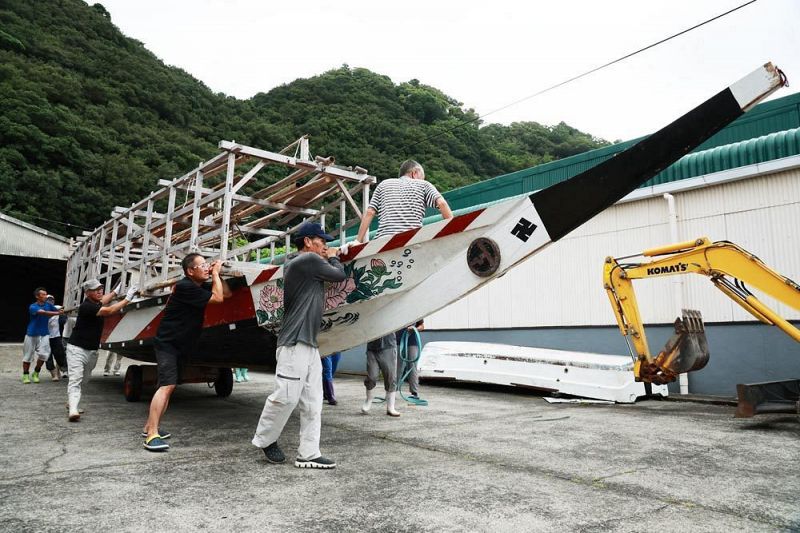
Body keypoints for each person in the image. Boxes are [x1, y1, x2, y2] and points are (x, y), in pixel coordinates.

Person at [353, 160, 453, 415]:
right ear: (415, 172)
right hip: (409, 247)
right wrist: (450, 227)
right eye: (422, 174)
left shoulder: (384, 185)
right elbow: (442, 205)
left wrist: (359, 241)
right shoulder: (423, 185)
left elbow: (369, 214)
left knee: (382, 287)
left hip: (383, 248)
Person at [251, 222, 345, 469]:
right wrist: (335, 258)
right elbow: (339, 276)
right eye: (322, 240)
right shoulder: (306, 262)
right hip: (294, 342)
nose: (326, 245)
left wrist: (329, 257)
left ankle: (309, 453)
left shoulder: (301, 263)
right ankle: (265, 439)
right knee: (286, 396)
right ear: (307, 242)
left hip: (309, 344)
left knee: (313, 402)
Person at [142, 253, 231, 451]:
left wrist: (219, 275)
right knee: (167, 386)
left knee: (167, 387)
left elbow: (227, 294)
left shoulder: (198, 287)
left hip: (180, 345)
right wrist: (215, 273)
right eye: (203, 265)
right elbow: (218, 299)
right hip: (168, 344)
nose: (207, 267)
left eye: (208, 264)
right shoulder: (185, 287)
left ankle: (150, 426)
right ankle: (151, 435)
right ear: (190, 271)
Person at [66, 279, 137, 421]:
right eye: (95, 289)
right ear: (87, 293)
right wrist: (128, 298)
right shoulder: (86, 306)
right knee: (76, 379)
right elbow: (109, 310)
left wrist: (115, 291)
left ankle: (71, 402)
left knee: (85, 379)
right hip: (76, 349)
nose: (99, 291)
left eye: (100, 288)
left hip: (92, 351)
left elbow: (104, 300)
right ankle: (73, 410)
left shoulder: (95, 302)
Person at [22, 288, 61, 384]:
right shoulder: (33, 306)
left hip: (44, 334)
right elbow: (43, 313)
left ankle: (36, 373)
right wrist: (57, 313)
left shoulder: (48, 305)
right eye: (43, 295)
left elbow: (59, 310)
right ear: (37, 296)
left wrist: (64, 310)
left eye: (45, 294)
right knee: (28, 356)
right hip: (31, 334)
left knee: (44, 355)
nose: (45, 296)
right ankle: (25, 375)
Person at [396, 319, 424, 399]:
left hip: (412, 341)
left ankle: (414, 392)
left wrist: (415, 328)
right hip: (397, 341)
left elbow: (422, 326)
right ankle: (392, 391)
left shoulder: (415, 311)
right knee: (396, 367)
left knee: (412, 366)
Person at [44, 295, 68, 381]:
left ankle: (59, 370)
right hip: (45, 337)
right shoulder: (42, 310)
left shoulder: (57, 307)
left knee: (59, 355)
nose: (50, 301)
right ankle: (54, 374)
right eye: (48, 300)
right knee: (48, 356)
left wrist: (63, 313)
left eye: (52, 300)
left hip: (56, 336)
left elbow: (64, 314)